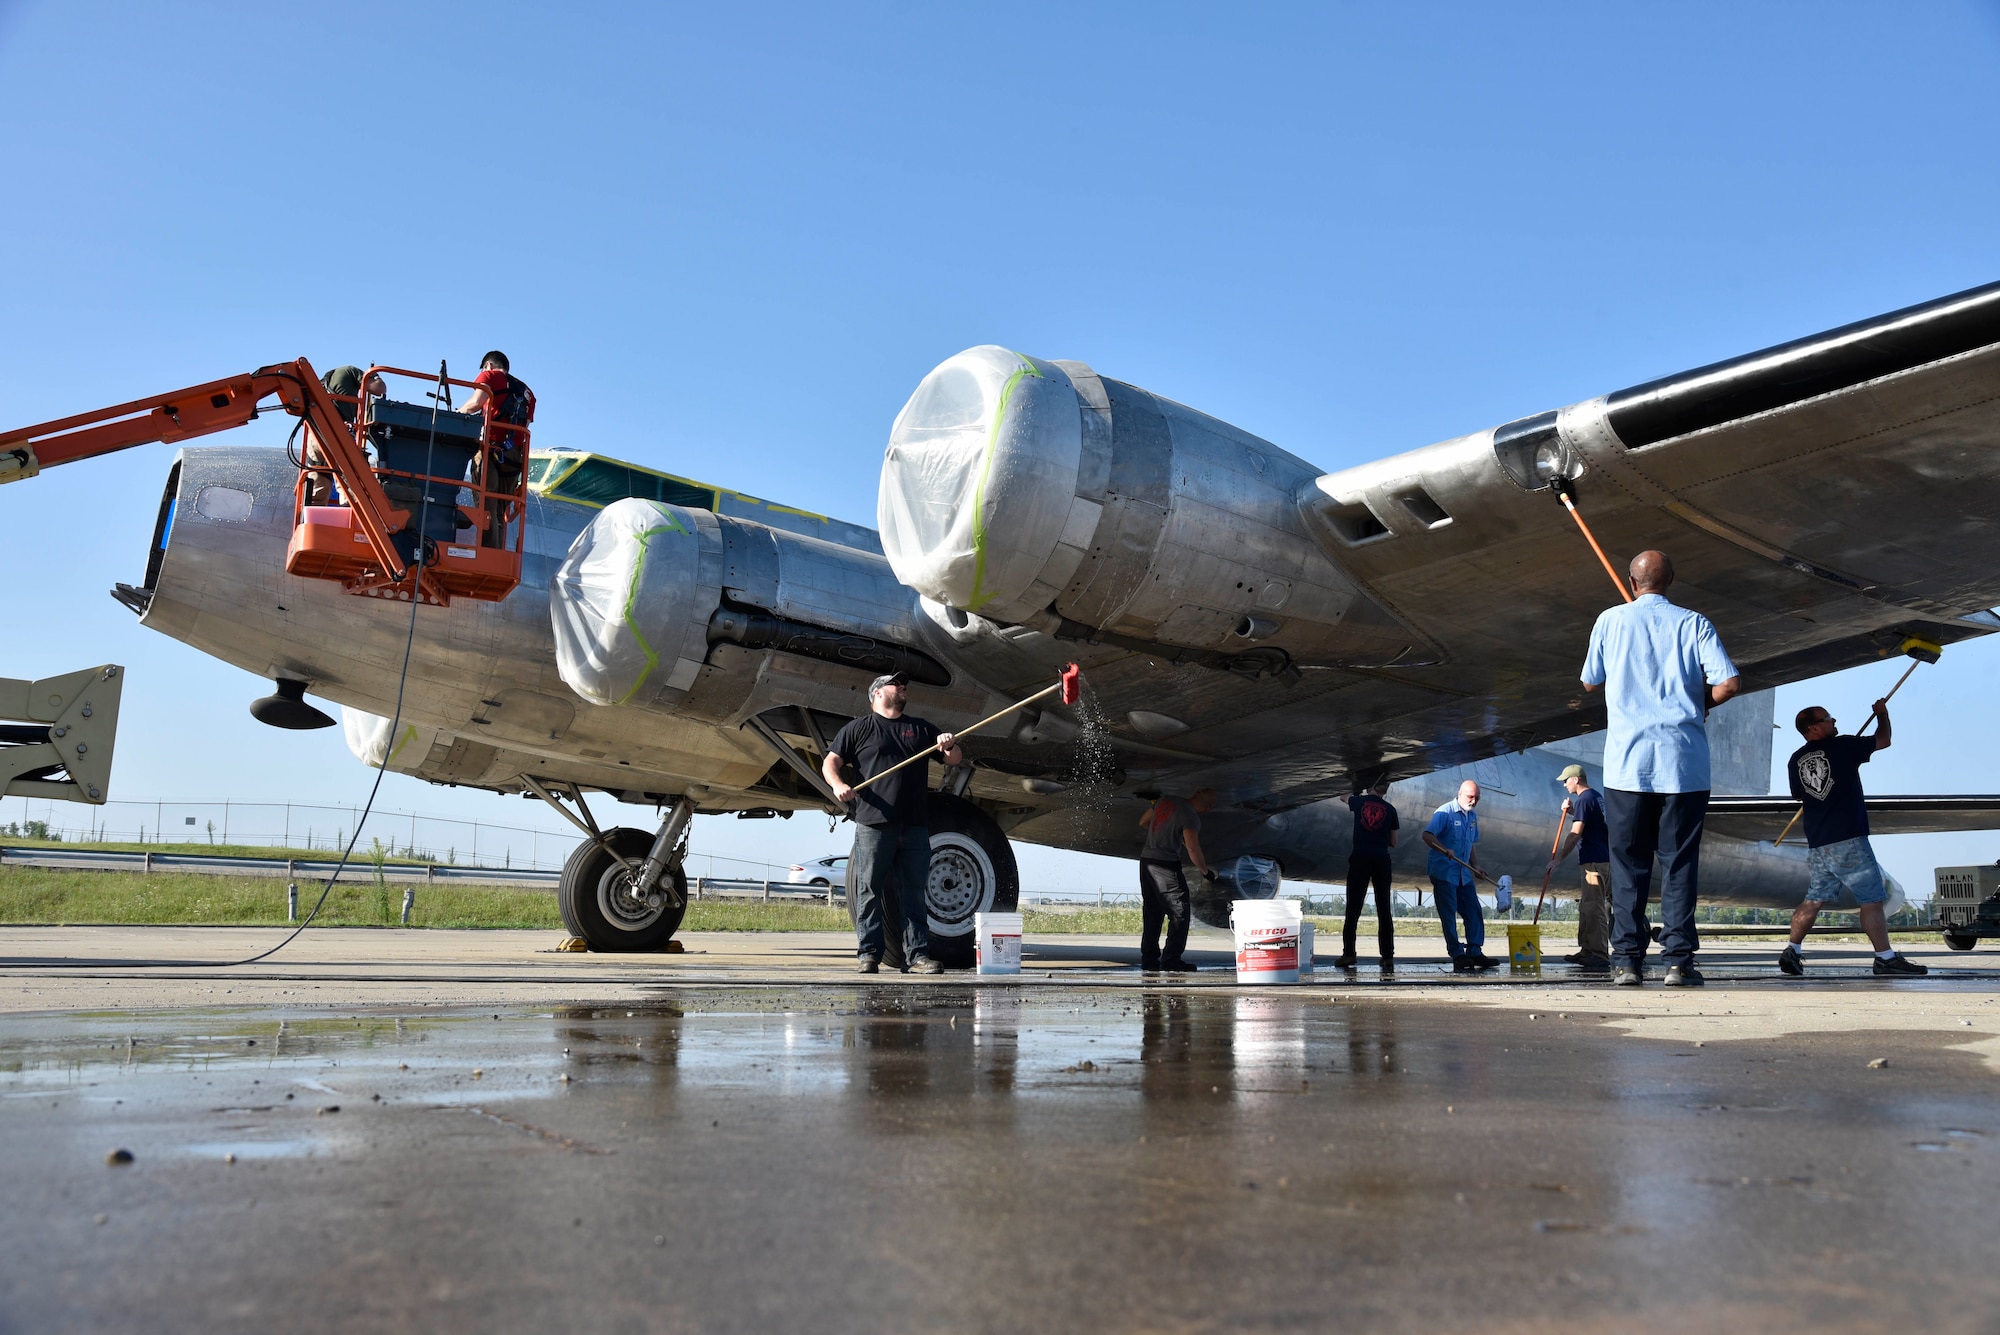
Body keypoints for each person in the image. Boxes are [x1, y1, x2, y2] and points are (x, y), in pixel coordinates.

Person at [1581, 550, 1740, 988]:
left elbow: (1590, 680)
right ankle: (1677, 962)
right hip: (1683, 765)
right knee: (1679, 865)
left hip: (1627, 767)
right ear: (1671, 580)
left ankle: (1627, 961)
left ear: (1633, 582)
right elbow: (1729, 683)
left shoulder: (1610, 620)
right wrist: (1698, 703)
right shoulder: (1694, 623)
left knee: (1628, 864)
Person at [822, 671, 962, 975]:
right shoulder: (858, 729)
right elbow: (830, 761)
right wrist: (837, 785)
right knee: (869, 889)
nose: (902, 687)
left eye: (904, 684)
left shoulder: (920, 728)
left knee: (914, 892)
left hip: (914, 825)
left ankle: (917, 957)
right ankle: (869, 955)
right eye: (895, 683)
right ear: (877, 693)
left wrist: (949, 745)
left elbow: (953, 759)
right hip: (873, 823)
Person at [1777, 701, 1928, 977]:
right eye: (1828, 718)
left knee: (1813, 900)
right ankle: (1885, 958)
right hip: (1848, 838)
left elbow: (1799, 795)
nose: (1834, 721)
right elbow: (1883, 740)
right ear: (1813, 727)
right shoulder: (1844, 746)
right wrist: (1882, 714)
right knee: (1871, 900)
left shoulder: (1796, 759)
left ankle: (1792, 950)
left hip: (1819, 843)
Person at [1135, 790, 1217, 972]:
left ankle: (1149, 960)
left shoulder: (1164, 801)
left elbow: (1143, 822)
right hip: (1165, 865)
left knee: (1152, 912)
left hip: (1146, 861)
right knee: (1180, 912)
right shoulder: (1190, 816)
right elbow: (1193, 848)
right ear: (1208, 808)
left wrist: (1166, 835)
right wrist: (1205, 871)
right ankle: (1171, 959)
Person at [459, 351, 535, 546]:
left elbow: (475, 403)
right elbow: (523, 426)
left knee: (486, 506)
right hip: (514, 456)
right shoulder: (528, 393)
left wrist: (456, 415)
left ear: (488, 366)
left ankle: (486, 553)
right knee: (500, 509)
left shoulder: (490, 376)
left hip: (490, 449)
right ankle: (497, 552)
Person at [1422, 779, 1496, 971]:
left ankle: (1474, 951)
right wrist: (1444, 849)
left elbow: (1470, 843)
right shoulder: (1444, 812)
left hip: (1464, 873)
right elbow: (1427, 835)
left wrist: (1476, 866)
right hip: (1444, 872)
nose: (1474, 801)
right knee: (1449, 915)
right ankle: (1457, 954)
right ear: (1460, 794)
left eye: (1477, 798)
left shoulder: (1471, 817)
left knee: (1473, 910)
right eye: (1471, 797)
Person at [1550, 763, 1611, 970]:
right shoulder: (1594, 797)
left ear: (1576, 779)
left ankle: (1598, 953)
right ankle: (1587, 950)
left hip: (1593, 862)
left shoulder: (1584, 799)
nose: (1565, 784)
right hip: (1597, 858)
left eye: (1566, 780)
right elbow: (1593, 821)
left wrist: (1559, 858)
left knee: (1594, 908)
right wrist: (1573, 811)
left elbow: (1576, 833)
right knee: (1587, 907)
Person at [1337, 780, 1399, 971]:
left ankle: (1349, 954)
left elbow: (1342, 796)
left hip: (1360, 857)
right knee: (1383, 908)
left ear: (1371, 786)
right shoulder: (1391, 810)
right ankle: (1387, 956)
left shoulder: (1359, 802)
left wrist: (1356, 790)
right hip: (1381, 859)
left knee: (1353, 908)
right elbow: (1394, 842)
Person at [307, 365, 385, 504]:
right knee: (352, 476)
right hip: (337, 429)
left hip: (315, 432)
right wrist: (375, 376)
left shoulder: (326, 379)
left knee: (319, 474)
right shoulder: (352, 371)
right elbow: (379, 389)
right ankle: (351, 515)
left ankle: (312, 517)